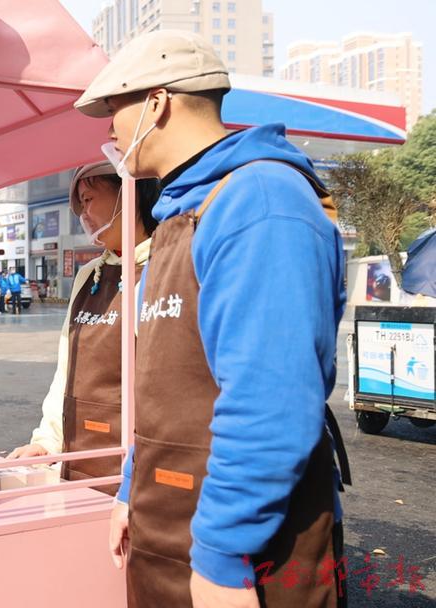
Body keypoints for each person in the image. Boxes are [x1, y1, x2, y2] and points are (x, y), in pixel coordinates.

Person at [75, 30, 347, 607]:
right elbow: (163, 389)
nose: (110, 131)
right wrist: (131, 491)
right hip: (166, 520)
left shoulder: (262, 201)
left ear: (157, 103)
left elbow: (270, 400)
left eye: (114, 109)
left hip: (247, 554)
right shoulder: (179, 215)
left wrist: (224, 559)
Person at [10, 162, 159, 494]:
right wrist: (47, 441)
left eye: (89, 199)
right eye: (79, 203)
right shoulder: (89, 274)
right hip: (76, 461)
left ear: (129, 194)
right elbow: (67, 370)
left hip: (135, 475)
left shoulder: (164, 268)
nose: (83, 213)